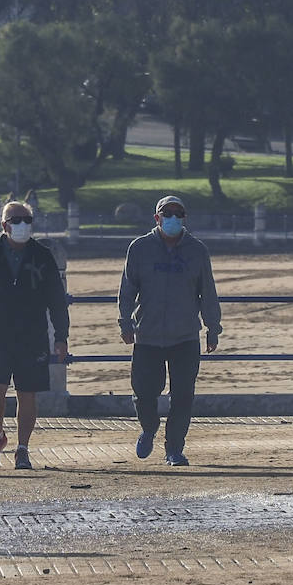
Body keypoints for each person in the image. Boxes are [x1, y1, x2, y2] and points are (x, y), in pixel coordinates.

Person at [0, 201, 69, 471]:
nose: (22, 224)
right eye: (16, 219)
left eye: (27, 219)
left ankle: (23, 449)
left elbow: (56, 298)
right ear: (4, 224)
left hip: (32, 336)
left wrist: (61, 336)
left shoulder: (42, 256)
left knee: (27, 394)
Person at [117, 195, 221, 466]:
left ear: (184, 218)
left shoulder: (197, 251)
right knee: (143, 393)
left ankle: (174, 448)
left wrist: (213, 327)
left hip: (185, 336)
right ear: (157, 217)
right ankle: (149, 428)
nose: (173, 218)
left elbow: (208, 292)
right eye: (168, 213)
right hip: (148, 335)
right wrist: (125, 322)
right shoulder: (139, 248)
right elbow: (127, 289)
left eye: (179, 213)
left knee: (183, 396)